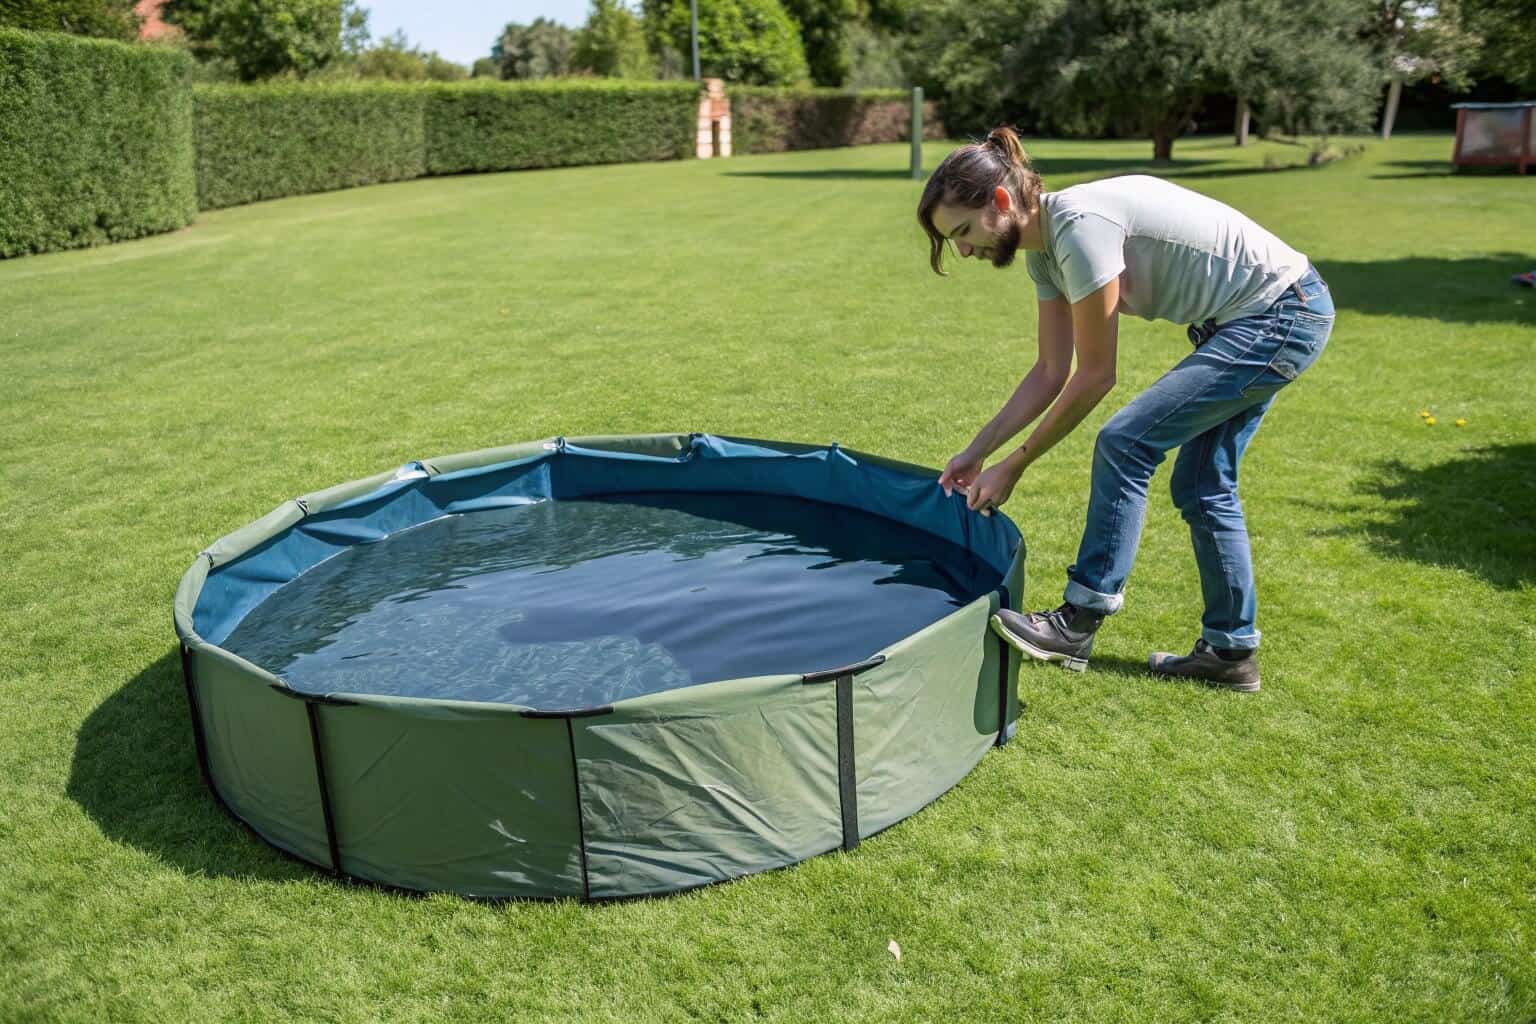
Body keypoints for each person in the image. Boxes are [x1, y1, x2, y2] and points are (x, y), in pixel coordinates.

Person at [918, 127, 1334, 692]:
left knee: (1127, 441)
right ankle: (1230, 653)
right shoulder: (1046, 256)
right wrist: (977, 451)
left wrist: (1016, 462)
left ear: (1001, 201)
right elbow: (1049, 372)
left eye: (964, 232)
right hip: (1254, 320)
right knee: (1203, 485)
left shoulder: (1081, 228)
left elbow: (1095, 375)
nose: (965, 251)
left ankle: (1078, 621)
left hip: (1280, 315)